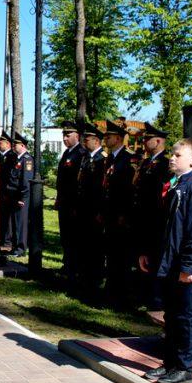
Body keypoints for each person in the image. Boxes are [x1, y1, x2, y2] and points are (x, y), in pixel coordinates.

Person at [140, 139, 192, 383]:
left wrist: (189, 268)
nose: (172, 158)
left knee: (185, 317)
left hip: (185, 268)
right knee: (171, 316)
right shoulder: (175, 185)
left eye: (178, 155)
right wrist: (149, 252)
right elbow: (163, 227)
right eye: (172, 154)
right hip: (169, 262)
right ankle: (170, 363)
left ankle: (184, 367)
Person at [133, 123, 171, 309]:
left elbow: (161, 195)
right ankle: (143, 294)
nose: (144, 142)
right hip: (142, 217)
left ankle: (155, 299)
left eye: (147, 139)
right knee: (142, 256)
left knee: (154, 258)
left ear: (158, 141)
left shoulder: (165, 164)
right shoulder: (147, 162)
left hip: (155, 219)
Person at [102, 119, 136, 304]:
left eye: (109, 136)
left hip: (120, 214)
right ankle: (111, 287)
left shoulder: (128, 159)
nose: (105, 139)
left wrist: (124, 214)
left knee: (120, 254)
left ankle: (119, 292)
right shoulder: (110, 158)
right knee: (111, 251)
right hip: (109, 212)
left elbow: (128, 190)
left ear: (118, 138)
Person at [76, 123, 107, 296]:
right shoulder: (86, 157)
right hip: (84, 208)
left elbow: (101, 189)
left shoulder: (102, 159)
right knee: (85, 243)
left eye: (87, 139)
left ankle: (94, 277)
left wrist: (99, 211)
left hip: (94, 209)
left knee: (95, 245)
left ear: (96, 140)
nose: (84, 141)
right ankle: (85, 275)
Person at [55, 121, 86, 283]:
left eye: (68, 135)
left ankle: (73, 266)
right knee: (65, 235)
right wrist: (59, 197)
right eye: (63, 135)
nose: (64, 138)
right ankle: (67, 263)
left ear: (77, 136)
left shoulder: (80, 154)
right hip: (65, 201)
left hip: (73, 203)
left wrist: (75, 204)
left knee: (73, 236)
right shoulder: (67, 153)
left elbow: (78, 183)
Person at [4, 132, 35, 257]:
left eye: (15, 144)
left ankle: (21, 248)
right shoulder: (16, 159)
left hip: (21, 196)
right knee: (15, 223)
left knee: (20, 223)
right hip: (13, 196)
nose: (13, 146)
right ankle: (15, 246)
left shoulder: (27, 160)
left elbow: (26, 181)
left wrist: (22, 197)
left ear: (22, 145)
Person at [0, 132, 17, 248]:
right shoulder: (0, 155)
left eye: (0, 143)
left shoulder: (11, 156)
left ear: (7, 144)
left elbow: (9, 176)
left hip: (7, 192)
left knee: (7, 218)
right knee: (2, 217)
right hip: (0, 190)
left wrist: (6, 192)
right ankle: (2, 238)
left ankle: (7, 240)